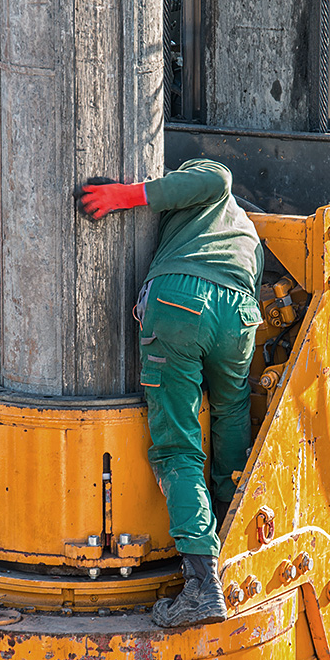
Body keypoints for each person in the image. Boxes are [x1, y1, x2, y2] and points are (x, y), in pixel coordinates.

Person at [76, 159, 263, 628]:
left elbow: (216, 176)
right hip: (240, 316)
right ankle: (229, 532)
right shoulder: (247, 236)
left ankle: (201, 582)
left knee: (177, 447)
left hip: (180, 303)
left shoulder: (210, 185)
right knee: (231, 418)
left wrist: (126, 195)